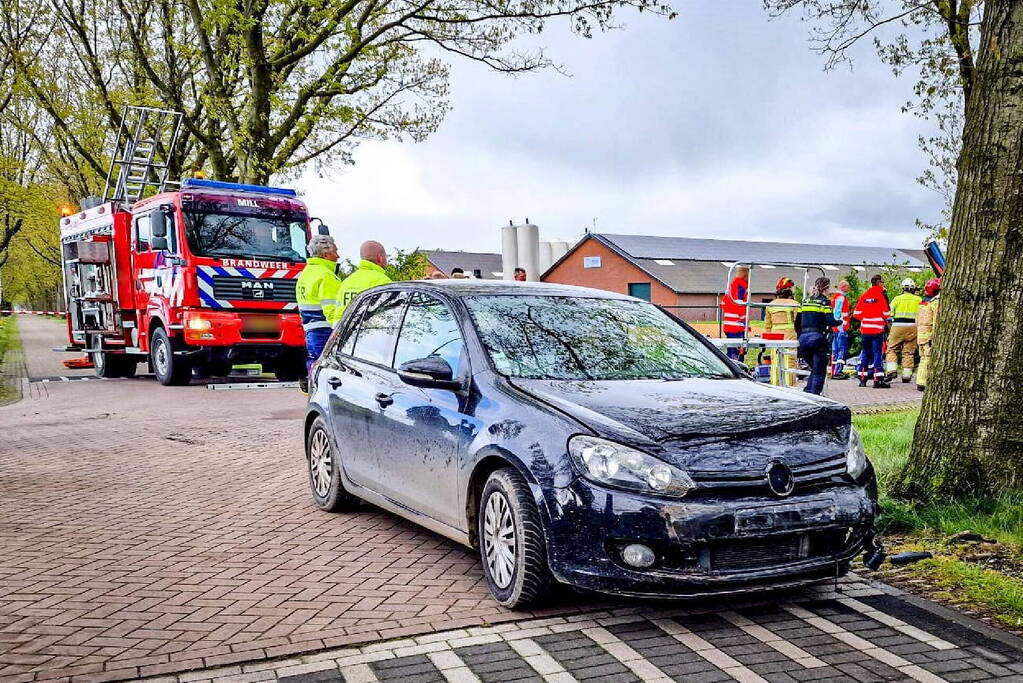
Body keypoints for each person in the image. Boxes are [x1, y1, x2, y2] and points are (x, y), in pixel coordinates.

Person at [295, 235, 343, 388]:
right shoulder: (326, 276)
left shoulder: (306, 274)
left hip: (310, 329)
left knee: (315, 362)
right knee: (327, 369)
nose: (338, 255)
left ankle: (310, 387)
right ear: (326, 254)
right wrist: (339, 331)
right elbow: (332, 311)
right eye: (335, 251)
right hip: (325, 331)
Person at [795, 277, 836, 395]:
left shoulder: (805, 301)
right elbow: (830, 320)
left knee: (814, 369)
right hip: (817, 339)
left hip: (803, 340)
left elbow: (797, 321)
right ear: (826, 288)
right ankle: (814, 396)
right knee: (819, 371)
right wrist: (839, 322)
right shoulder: (824, 302)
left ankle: (807, 391)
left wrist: (800, 335)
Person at [853, 274, 891, 388]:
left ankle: (862, 379)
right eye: (883, 282)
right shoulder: (880, 296)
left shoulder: (864, 296)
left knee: (865, 353)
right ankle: (877, 379)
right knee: (877, 354)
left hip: (865, 330)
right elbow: (886, 314)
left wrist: (866, 317)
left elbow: (856, 314)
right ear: (879, 283)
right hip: (877, 330)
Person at [338, 240, 393, 313]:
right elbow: (388, 313)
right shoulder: (382, 281)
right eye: (386, 257)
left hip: (342, 324)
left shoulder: (346, 283)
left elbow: (337, 313)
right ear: (380, 258)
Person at [885, 277, 923, 383]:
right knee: (909, 352)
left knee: (892, 349)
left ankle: (892, 370)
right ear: (913, 289)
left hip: (897, 326)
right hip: (913, 328)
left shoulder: (897, 299)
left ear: (903, 288)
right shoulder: (918, 300)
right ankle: (906, 376)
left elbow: (888, 314)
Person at [764, 277, 799, 386]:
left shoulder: (771, 305)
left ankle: (775, 385)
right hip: (790, 336)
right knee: (790, 361)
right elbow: (798, 322)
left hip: (774, 336)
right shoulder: (795, 304)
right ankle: (790, 387)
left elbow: (767, 325)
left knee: (775, 362)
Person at [916, 277, 941, 391]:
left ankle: (920, 381)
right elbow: (936, 320)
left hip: (921, 335)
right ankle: (923, 382)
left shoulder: (922, 303)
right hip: (929, 336)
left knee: (923, 358)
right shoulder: (935, 303)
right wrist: (935, 336)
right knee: (928, 359)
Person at [720, 266, 750, 360]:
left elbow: (724, 303)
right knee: (737, 351)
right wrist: (744, 324)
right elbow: (740, 306)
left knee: (733, 349)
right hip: (736, 325)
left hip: (730, 324)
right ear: (746, 275)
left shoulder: (732, 286)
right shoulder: (740, 287)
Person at [830, 280, 852, 379]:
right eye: (848, 287)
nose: (849, 289)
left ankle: (834, 370)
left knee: (835, 350)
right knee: (841, 349)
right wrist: (841, 327)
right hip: (841, 327)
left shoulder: (834, 297)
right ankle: (838, 371)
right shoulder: (841, 298)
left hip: (835, 328)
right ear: (843, 287)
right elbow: (837, 313)